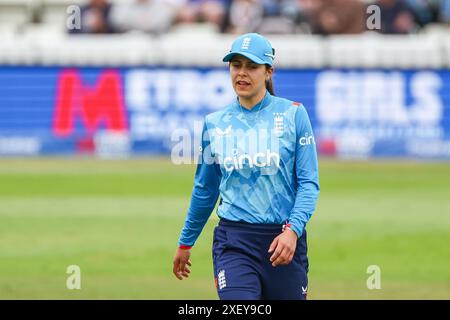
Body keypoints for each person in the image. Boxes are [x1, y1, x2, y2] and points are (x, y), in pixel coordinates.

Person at [172, 33, 320, 300]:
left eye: (251, 66)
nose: (242, 73)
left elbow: (309, 184)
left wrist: (292, 231)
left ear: (268, 72)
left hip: (283, 243)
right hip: (234, 242)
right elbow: (205, 189)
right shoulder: (214, 124)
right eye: (236, 65)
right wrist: (186, 241)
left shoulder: (294, 115)